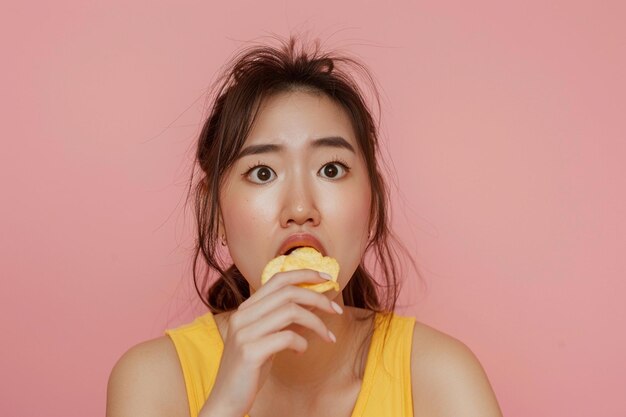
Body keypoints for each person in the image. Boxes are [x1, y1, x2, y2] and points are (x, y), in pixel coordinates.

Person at [106, 35, 503, 417]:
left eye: (331, 169)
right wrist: (225, 404)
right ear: (214, 214)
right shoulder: (154, 380)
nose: (300, 208)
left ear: (373, 204)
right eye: (262, 172)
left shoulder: (440, 377)